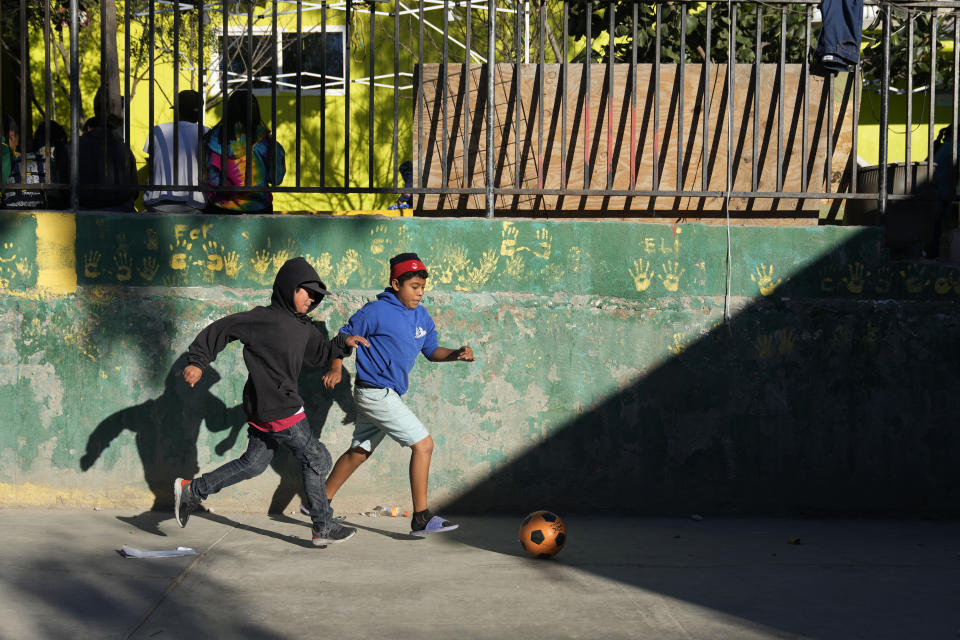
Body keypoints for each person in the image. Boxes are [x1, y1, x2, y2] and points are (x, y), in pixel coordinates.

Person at [173, 256, 369, 546]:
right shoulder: (260, 318)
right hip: (277, 405)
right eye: (307, 291)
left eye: (316, 296)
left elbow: (319, 353)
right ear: (289, 287)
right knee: (317, 458)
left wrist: (343, 344)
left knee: (253, 464)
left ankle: (193, 490)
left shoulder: (304, 328)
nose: (312, 299)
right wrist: (199, 362)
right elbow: (221, 330)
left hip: (268, 407)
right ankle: (323, 526)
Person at [322, 252, 475, 536]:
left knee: (359, 452)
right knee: (424, 444)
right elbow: (342, 337)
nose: (419, 293)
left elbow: (431, 351)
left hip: (387, 395)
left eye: (422, 288)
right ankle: (421, 517)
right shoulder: (375, 311)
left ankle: (319, 503)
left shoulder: (422, 317)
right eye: (414, 287)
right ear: (396, 284)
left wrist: (455, 354)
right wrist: (336, 367)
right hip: (375, 393)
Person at [204, 89, 285, 213]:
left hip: (220, 207)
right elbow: (276, 179)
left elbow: (208, 175)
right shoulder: (266, 143)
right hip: (258, 207)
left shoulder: (211, 139)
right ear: (254, 111)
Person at [143, 89, 208, 213]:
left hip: (157, 202)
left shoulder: (158, 131)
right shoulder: (205, 132)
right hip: (195, 203)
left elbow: (151, 166)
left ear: (177, 111)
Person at [77, 86, 139, 211]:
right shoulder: (123, 148)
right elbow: (134, 189)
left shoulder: (76, 145)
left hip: (85, 211)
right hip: (121, 210)